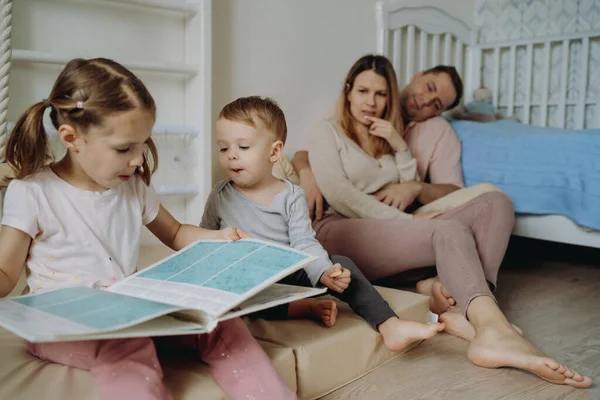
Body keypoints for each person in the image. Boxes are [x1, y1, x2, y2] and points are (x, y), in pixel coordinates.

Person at [0, 58, 295, 400]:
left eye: (142, 144)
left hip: (130, 311)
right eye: (125, 148)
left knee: (219, 322)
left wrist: (220, 238)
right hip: (60, 326)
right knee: (127, 346)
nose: (139, 159)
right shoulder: (33, 192)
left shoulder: (132, 186)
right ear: (72, 138)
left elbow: (176, 233)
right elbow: (6, 271)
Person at [301, 54, 592, 388]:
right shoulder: (328, 130)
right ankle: (492, 329)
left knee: (496, 203)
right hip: (339, 228)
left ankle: (466, 310)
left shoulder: (386, 135)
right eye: (364, 91)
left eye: (380, 94)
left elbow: (407, 180)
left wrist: (398, 146)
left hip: (391, 229)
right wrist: (409, 222)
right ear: (348, 91)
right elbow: (340, 194)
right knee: (449, 229)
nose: (371, 102)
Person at [201, 95, 444, 352]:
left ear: (274, 151)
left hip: (287, 273)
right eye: (224, 148)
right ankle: (302, 308)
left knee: (342, 264)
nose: (232, 157)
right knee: (236, 292)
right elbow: (201, 238)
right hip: (246, 278)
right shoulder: (220, 195)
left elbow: (304, 242)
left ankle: (389, 325)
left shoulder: (291, 195)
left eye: (243, 147)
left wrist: (325, 272)